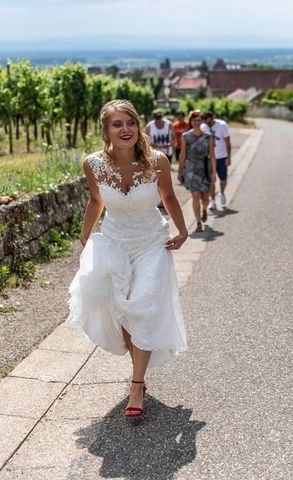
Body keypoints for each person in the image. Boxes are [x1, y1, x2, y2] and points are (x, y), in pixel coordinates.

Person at [68, 99, 188, 419]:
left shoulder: (157, 161)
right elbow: (96, 200)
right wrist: (86, 233)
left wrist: (183, 230)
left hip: (151, 242)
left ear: (139, 126)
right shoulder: (93, 164)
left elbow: (169, 197)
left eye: (131, 123)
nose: (126, 130)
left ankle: (137, 384)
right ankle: (137, 365)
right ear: (106, 130)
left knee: (144, 308)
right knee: (121, 311)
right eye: (117, 124)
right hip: (115, 242)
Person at [178, 110, 216, 232]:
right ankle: (198, 222)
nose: (196, 122)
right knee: (195, 195)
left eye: (198, 120)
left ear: (202, 121)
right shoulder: (185, 136)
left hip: (205, 169)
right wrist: (180, 171)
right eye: (194, 120)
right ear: (191, 121)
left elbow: (212, 155)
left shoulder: (208, 137)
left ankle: (204, 209)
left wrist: (214, 173)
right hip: (191, 169)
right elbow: (182, 154)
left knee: (205, 196)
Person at [201, 111, 231, 210]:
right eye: (204, 119)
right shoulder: (203, 127)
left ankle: (222, 193)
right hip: (209, 158)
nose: (206, 121)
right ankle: (212, 201)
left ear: (212, 117)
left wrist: (228, 157)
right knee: (211, 181)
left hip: (221, 157)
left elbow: (227, 142)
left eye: (207, 119)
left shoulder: (222, 125)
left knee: (223, 180)